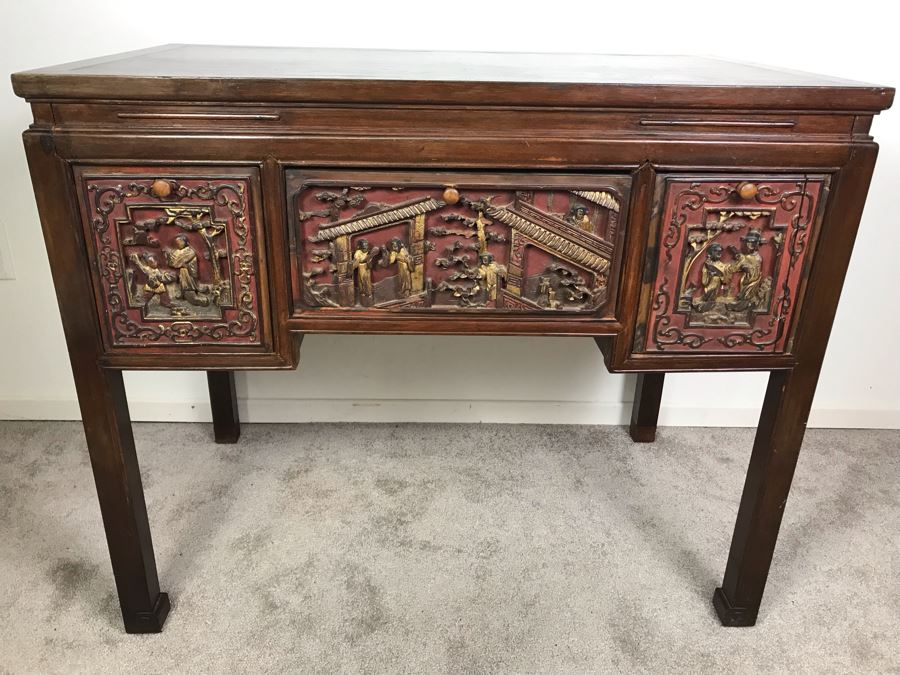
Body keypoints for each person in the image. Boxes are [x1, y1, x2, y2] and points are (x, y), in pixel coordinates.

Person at [166, 234, 209, 306]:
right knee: (182, 282)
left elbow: (179, 261)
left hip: (189, 273)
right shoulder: (177, 251)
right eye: (177, 243)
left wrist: (175, 260)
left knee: (188, 284)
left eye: (179, 242)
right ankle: (184, 294)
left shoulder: (190, 251)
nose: (178, 244)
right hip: (182, 272)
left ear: (184, 242)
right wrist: (169, 255)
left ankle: (195, 298)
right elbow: (173, 262)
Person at [352, 239, 379, 305]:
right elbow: (356, 262)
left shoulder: (369, 252)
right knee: (362, 280)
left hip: (366, 268)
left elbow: (369, 262)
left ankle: (369, 294)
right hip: (361, 267)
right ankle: (363, 293)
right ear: (360, 247)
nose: (366, 247)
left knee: (367, 280)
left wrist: (370, 257)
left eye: (367, 246)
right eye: (364, 246)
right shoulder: (358, 253)